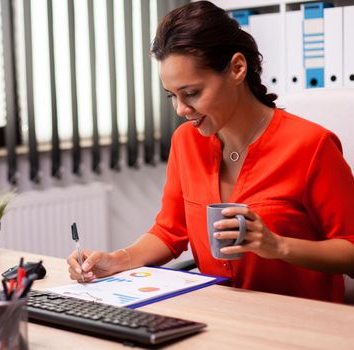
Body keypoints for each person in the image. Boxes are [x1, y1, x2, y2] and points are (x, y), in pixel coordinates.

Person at [66, 1, 354, 303]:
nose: (180, 109)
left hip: (300, 322)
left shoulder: (311, 145)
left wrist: (278, 246)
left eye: (192, 93)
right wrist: (117, 260)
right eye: (172, 96)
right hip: (218, 314)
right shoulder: (186, 142)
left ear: (237, 68)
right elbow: (169, 231)